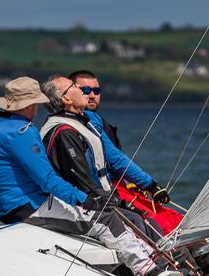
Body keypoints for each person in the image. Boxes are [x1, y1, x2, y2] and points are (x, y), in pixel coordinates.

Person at [39, 75, 209, 276]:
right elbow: (83, 177)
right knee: (153, 227)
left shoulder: (84, 122)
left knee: (159, 225)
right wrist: (141, 188)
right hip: (98, 201)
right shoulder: (66, 130)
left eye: (96, 89)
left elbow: (110, 159)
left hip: (108, 196)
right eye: (80, 87)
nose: (89, 93)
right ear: (66, 99)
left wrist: (149, 185)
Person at [0, 76, 164, 276]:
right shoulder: (22, 132)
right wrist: (84, 199)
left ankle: (138, 264)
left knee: (98, 216)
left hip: (6, 209)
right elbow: (48, 180)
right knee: (104, 218)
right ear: (30, 106)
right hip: (28, 207)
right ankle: (148, 271)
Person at [68, 69, 169, 205]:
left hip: (105, 187)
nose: (92, 95)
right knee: (168, 221)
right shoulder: (86, 119)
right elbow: (114, 158)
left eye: (96, 91)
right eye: (85, 90)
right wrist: (151, 185)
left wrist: (130, 182)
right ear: (71, 92)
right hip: (99, 192)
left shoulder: (79, 119)